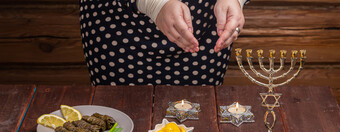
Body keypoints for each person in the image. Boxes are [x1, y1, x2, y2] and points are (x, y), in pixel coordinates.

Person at [79, 0, 250, 86]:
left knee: (200, 118)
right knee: (118, 117)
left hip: (206, 24)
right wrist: (154, 4)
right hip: (119, 23)